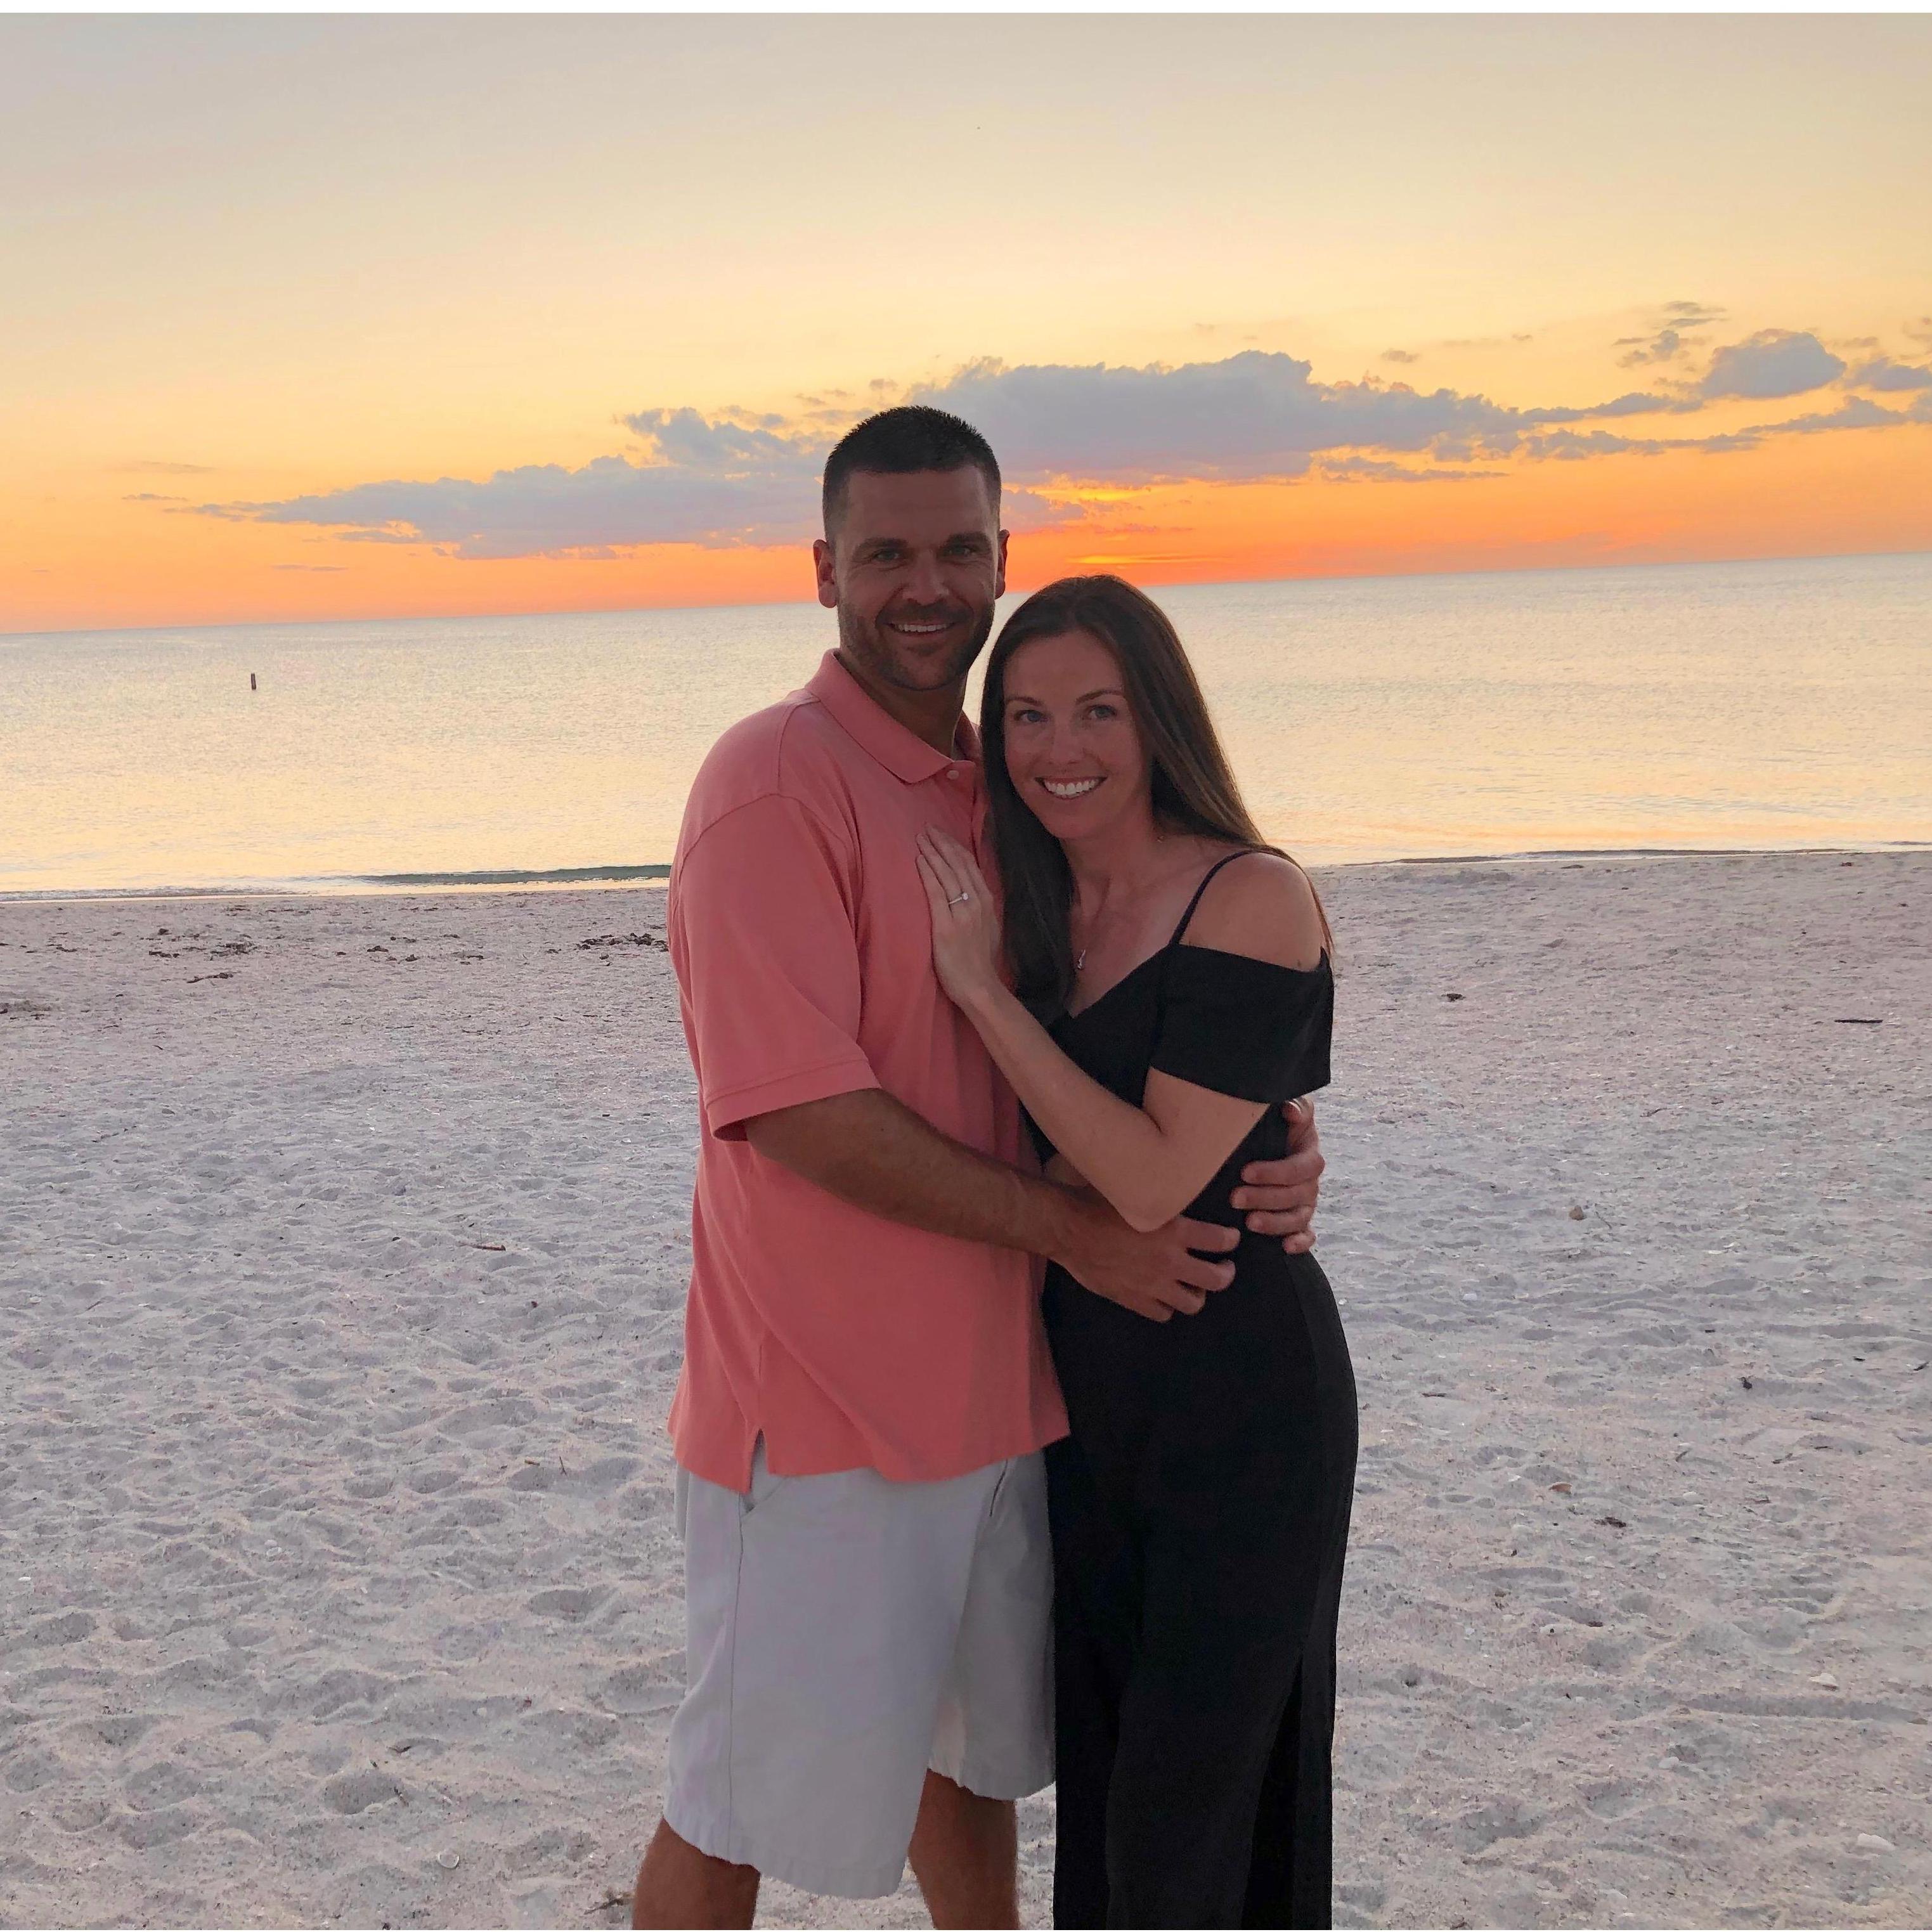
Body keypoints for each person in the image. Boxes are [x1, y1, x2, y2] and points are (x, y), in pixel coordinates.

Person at [631, 408, 1326, 1931]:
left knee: (975, 1768)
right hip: (821, 1416)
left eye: (957, 548)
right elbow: (803, 1110)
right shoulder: (769, 786)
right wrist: (1083, 1233)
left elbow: (1144, 1009)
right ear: (824, 570)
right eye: (885, 553)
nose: (924, 585)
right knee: (737, 1799)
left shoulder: (1003, 784)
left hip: (1014, 1402)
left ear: (1003, 559)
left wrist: (1265, 1132)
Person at [916, 574, 1354, 1929]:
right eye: (1030, 715)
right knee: (1111, 1806)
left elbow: (1156, 1180)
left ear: (1160, 719)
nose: (1062, 749)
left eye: (1100, 710)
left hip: (1244, 1407)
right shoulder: (1035, 901)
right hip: (1088, 1415)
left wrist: (983, 996)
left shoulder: (1249, 895)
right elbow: (1061, 1147)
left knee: (1193, 1814)